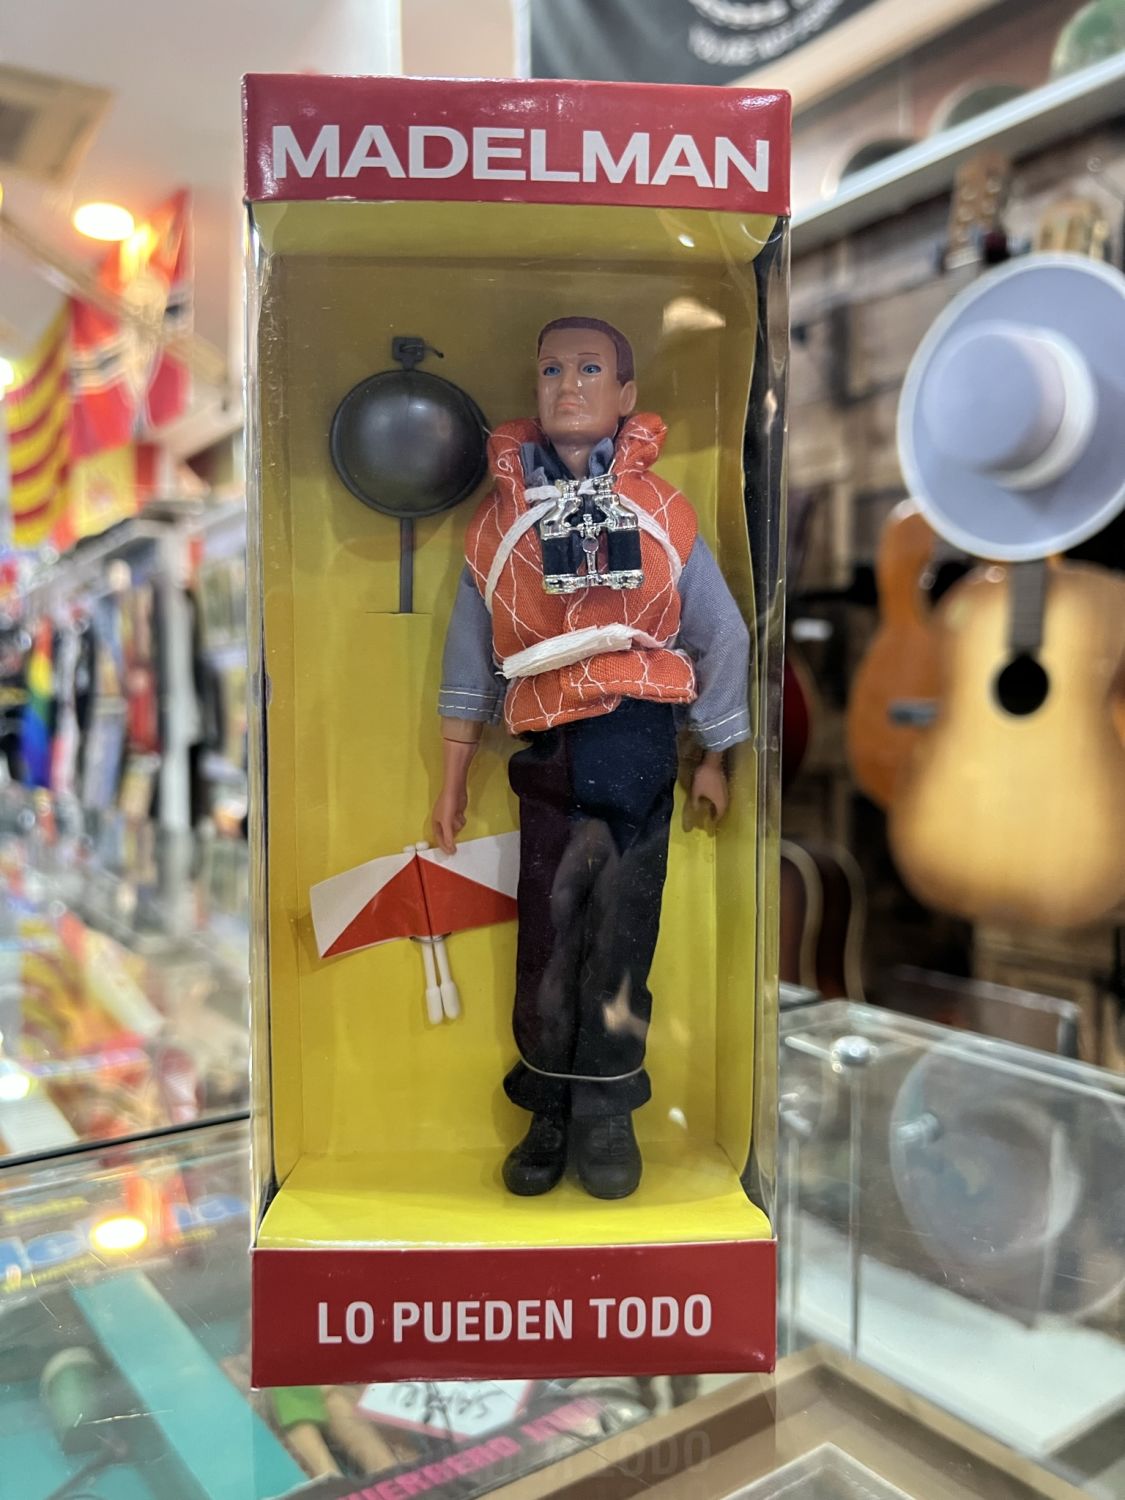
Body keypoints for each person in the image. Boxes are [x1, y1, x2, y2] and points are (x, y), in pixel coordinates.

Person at [433, 316, 750, 1200]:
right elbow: (469, 653)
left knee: (622, 941)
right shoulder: (498, 524)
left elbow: (720, 631)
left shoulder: (663, 514)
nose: (568, 385)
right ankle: (546, 1105)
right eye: (550, 370)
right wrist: (453, 776)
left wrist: (715, 752)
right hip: (549, 751)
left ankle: (608, 1111)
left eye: (588, 369)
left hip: (639, 748)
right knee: (546, 938)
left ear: (625, 394)